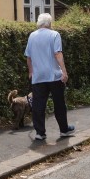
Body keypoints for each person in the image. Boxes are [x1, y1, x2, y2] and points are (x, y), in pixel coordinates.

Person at [24, 12, 75, 141]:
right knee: (59, 103)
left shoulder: (32, 36)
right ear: (50, 23)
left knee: (38, 105)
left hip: (38, 76)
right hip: (54, 76)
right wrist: (64, 71)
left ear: (39, 23)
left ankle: (40, 133)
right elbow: (57, 54)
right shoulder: (54, 34)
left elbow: (28, 57)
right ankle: (64, 130)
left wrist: (31, 72)